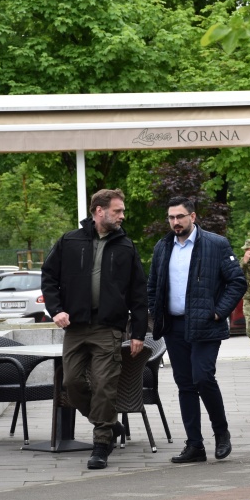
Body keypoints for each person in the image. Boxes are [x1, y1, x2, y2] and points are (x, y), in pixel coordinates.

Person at [41, 188, 148, 469]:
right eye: (117, 211)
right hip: (75, 326)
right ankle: (109, 424)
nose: (122, 216)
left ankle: (101, 443)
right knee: (71, 383)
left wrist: (138, 333)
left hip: (108, 327)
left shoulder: (126, 246)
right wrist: (56, 309)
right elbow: (49, 277)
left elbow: (138, 292)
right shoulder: (69, 240)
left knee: (104, 384)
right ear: (99, 211)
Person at [148, 198, 247, 464]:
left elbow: (237, 282)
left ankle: (221, 432)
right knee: (185, 384)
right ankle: (194, 445)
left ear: (193, 217)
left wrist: (218, 312)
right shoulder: (163, 246)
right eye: (171, 217)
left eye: (180, 216)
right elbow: (153, 285)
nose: (175, 222)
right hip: (174, 326)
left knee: (202, 377)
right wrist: (155, 311)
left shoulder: (216, 244)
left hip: (206, 325)